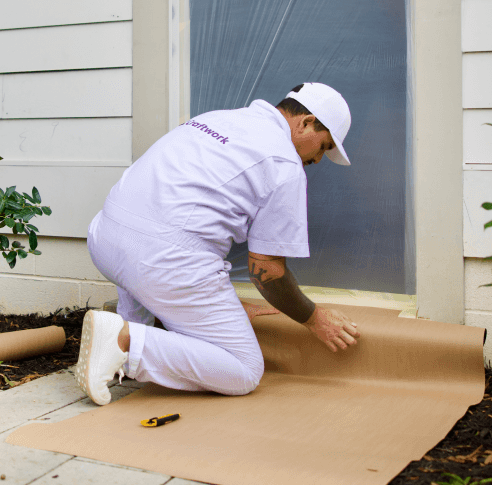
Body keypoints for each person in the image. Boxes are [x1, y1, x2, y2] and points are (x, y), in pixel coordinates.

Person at [76, 82, 362, 405]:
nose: (319, 159)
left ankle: (122, 338)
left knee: (149, 268)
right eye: (323, 146)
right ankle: (122, 341)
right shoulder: (284, 162)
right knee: (245, 369)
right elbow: (266, 270)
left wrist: (221, 302)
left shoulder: (219, 120)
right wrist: (314, 318)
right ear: (306, 122)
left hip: (107, 234)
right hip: (159, 258)